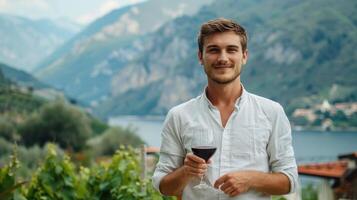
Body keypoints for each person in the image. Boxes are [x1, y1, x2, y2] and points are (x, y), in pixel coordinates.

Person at [152, 18, 298, 200]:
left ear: (244, 56)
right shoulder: (179, 116)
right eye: (213, 50)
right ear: (200, 57)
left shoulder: (272, 112)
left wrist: (251, 179)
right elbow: (162, 185)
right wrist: (185, 172)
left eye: (231, 49)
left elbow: (290, 181)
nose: (223, 58)